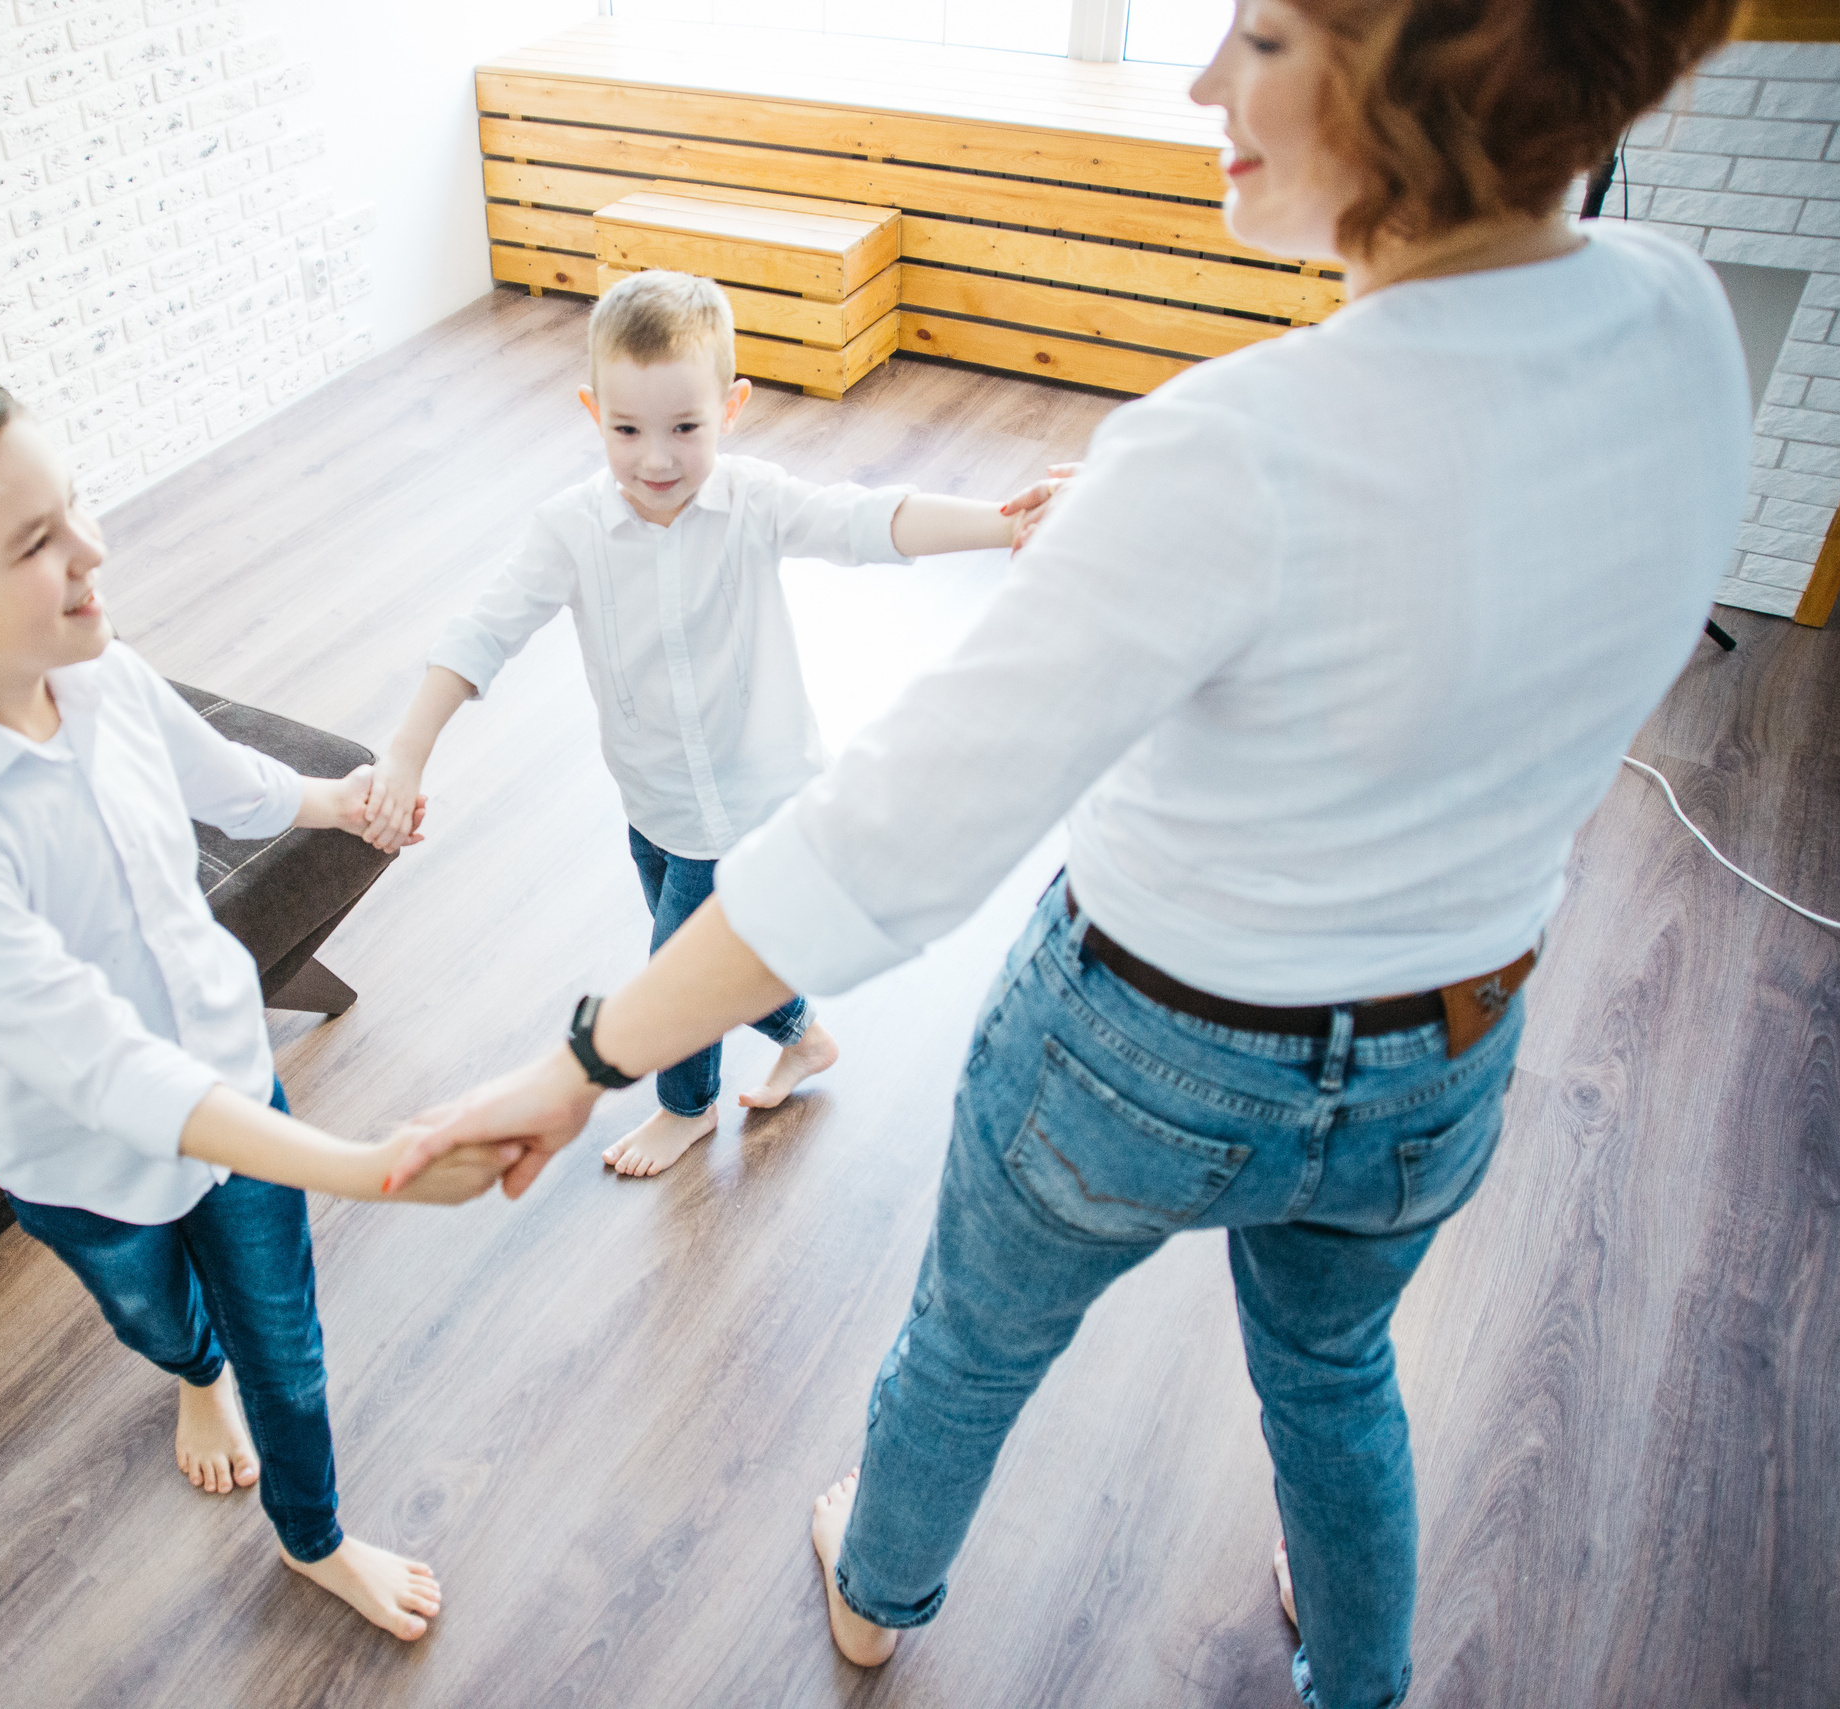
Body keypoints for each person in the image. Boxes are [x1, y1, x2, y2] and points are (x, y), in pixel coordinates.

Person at [387, 0, 1745, 1700]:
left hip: (1144, 1055)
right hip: (1447, 1051)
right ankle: (1360, 1672)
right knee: (1336, 1371)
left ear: (1420, 65)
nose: (1205, 79)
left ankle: (878, 1590)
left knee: (971, 1347)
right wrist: (1153, 546)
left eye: (1259, 38)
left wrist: (581, 1059)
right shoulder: (1684, 317)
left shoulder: (1233, 439)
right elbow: (1441, 584)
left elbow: (890, 838)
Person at [0, 378, 519, 1642]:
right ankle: (190, 1372)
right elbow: (103, 1065)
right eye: (36, 540)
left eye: (76, 506)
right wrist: (359, 1164)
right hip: (83, 1164)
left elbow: (223, 779)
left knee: (289, 1349)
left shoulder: (103, 672)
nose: (93, 549)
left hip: (234, 1084)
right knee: (159, 1318)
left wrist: (337, 802)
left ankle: (314, 1537)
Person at [363, 268, 1031, 1177]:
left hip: (752, 804)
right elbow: (482, 633)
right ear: (593, 412)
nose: (656, 460)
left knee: (675, 972)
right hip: (653, 804)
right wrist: (407, 751)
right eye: (627, 430)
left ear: (732, 406)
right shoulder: (569, 530)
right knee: (719, 956)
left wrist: (1005, 523)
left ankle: (686, 1108)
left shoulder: (755, 502)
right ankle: (804, 1036)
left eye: (686, 427)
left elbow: (870, 521)